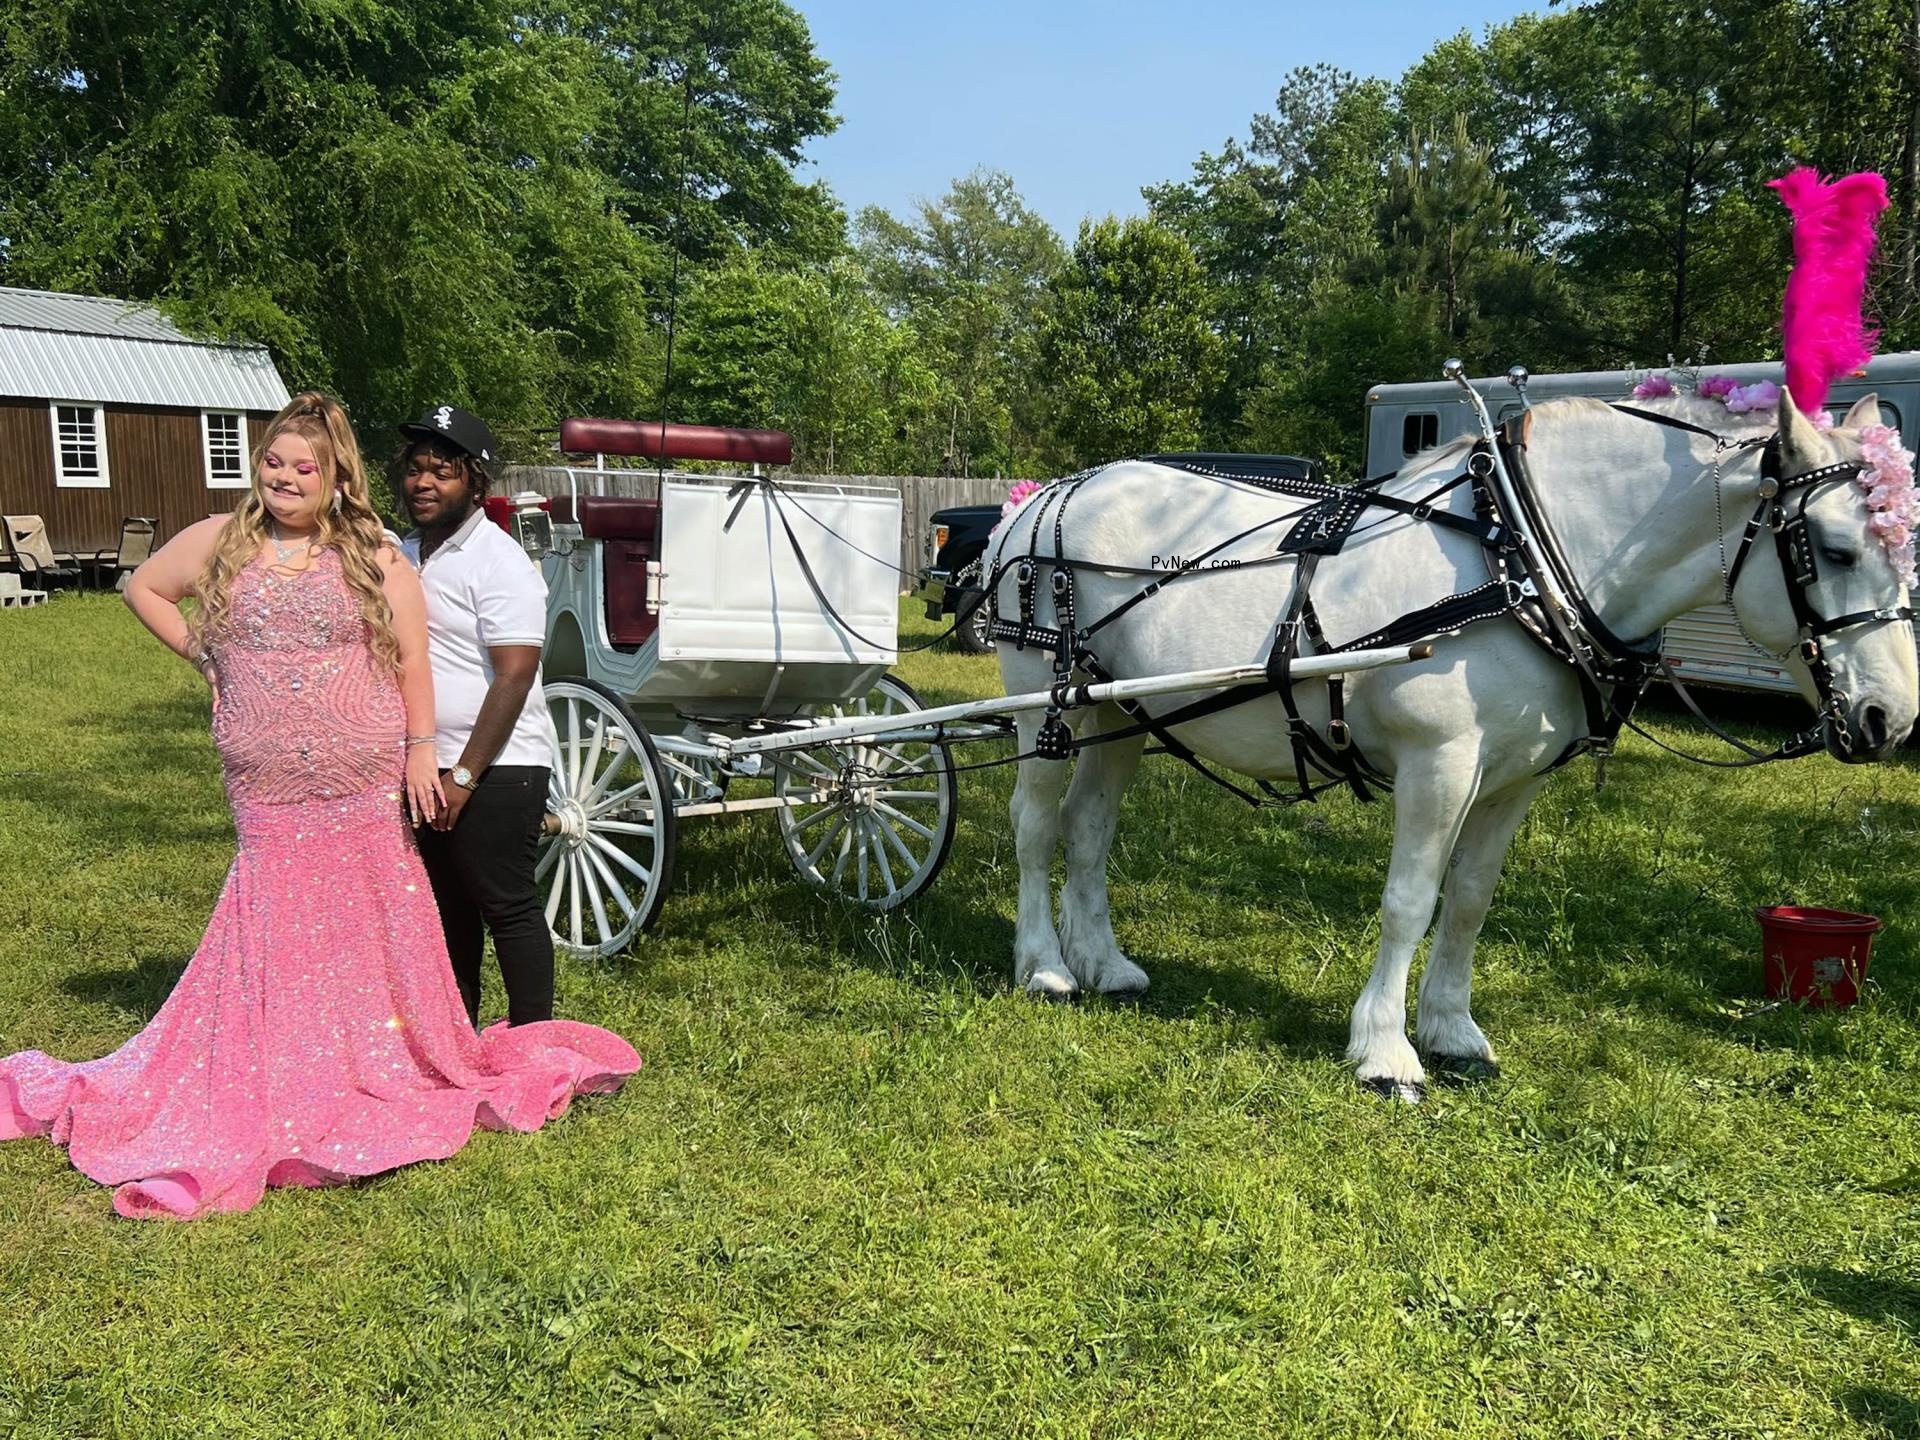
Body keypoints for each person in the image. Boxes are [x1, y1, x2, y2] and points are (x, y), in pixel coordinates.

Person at [0, 393, 639, 1221]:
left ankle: (417, 1048)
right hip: (268, 787)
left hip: (366, 776)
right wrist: (207, 659)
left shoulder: (377, 553)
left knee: (387, 916)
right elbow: (145, 588)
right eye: (274, 462)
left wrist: (422, 754)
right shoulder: (228, 541)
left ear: (337, 478)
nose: (286, 477)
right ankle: (284, 1056)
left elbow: (415, 658)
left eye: (306, 467)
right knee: (282, 916)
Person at [396, 405, 559, 1029]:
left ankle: (532, 1043)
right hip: (420, 761)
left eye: (443, 471)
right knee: (445, 909)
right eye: (415, 470)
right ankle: (456, 1034)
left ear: (475, 482)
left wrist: (464, 776)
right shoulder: (402, 554)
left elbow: (515, 674)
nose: (424, 483)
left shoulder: (499, 561)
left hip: (498, 766)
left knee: (506, 905)